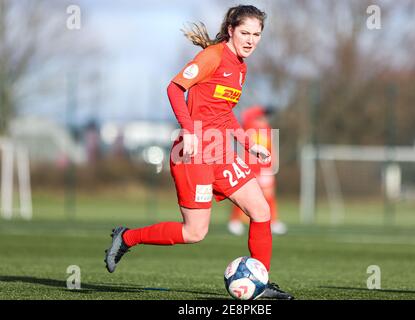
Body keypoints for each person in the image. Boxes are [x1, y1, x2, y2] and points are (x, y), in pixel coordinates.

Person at [104, 5, 294, 300]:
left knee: (261, 211)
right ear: (231, 29)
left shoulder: (241, 66)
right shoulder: (213, 56)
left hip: (220, 151)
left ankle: (262, 283)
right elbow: (174, 88)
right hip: (191, 152)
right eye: (245, 32)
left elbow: (224, 113)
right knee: (195, 233)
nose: (251, 40)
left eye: (257, 34)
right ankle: (127, 237)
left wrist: (245, 143)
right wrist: (190, 132)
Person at [227, 105, 287, 236]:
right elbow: (245, 114)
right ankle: (235, 221)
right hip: (251, 166)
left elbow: (272, 147)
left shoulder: (268, 129)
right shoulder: (248, 125)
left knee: (269, 195)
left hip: (265, 167)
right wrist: (261, 109)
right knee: (243, 194)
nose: (265, 118)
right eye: (262, 116)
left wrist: (274, 162)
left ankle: (273, 221)